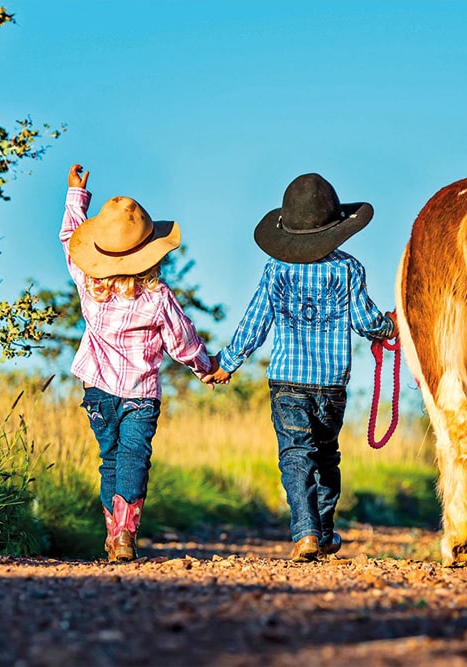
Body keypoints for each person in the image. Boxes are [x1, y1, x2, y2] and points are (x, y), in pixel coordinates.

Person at [205, 173, 397, 562]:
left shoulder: (275, 270)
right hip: (331, 385)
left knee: (296, 455)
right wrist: (391, 325)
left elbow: (255, 321)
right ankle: (324, 533)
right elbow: (365, 321)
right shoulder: (348, 269)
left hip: (287, 383)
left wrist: (227, 363)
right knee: (326, 459)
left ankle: (307, 533)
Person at [61, 163, 217, 561]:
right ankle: (126, 534)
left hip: (96, 390)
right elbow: (182, 342)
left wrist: (76, 195)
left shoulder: (86, 282)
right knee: (133, 458)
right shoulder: (158, 296)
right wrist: (207, 367)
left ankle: (114, 535)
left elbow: (68, 239)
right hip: (140, 395)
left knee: (109, 458)